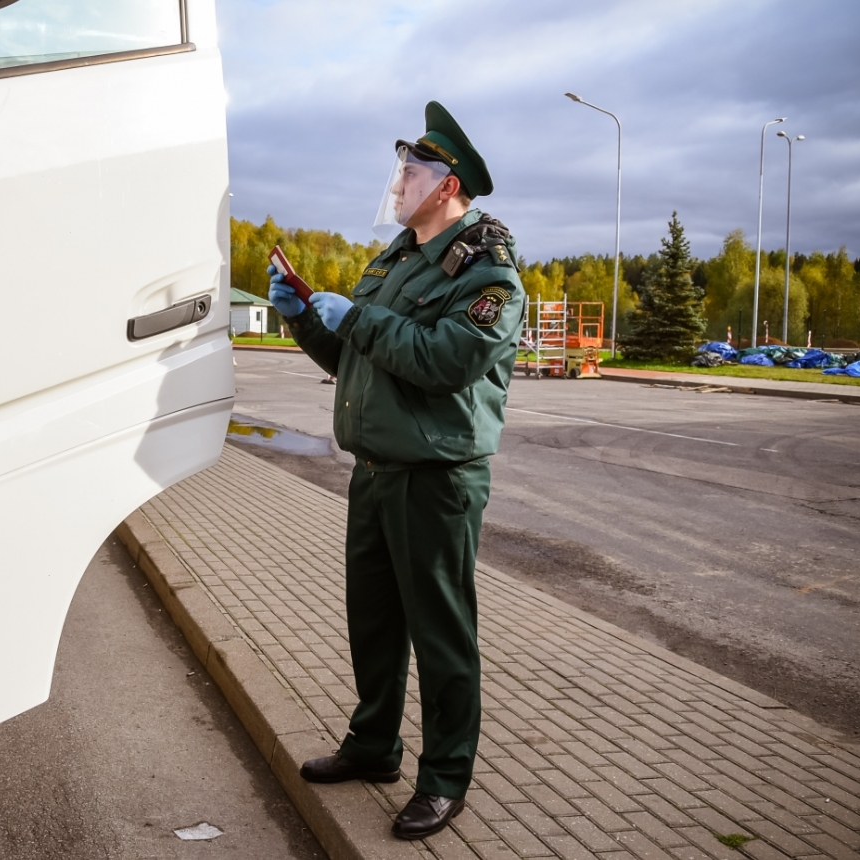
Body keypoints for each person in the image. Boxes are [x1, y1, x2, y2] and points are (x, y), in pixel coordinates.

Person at [265, 101, 524, 841]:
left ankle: (445, 779)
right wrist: (306, 317)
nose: (399, 182)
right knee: (373, 624)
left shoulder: (489, 275)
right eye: (401, 170)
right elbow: (359, 361)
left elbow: (441, 361)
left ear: (447, 186)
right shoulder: (398, 260)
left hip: (436, 479)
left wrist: (360, 318)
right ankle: (375, 746)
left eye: (411, 172)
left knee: (441, 633)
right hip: (376, 471)